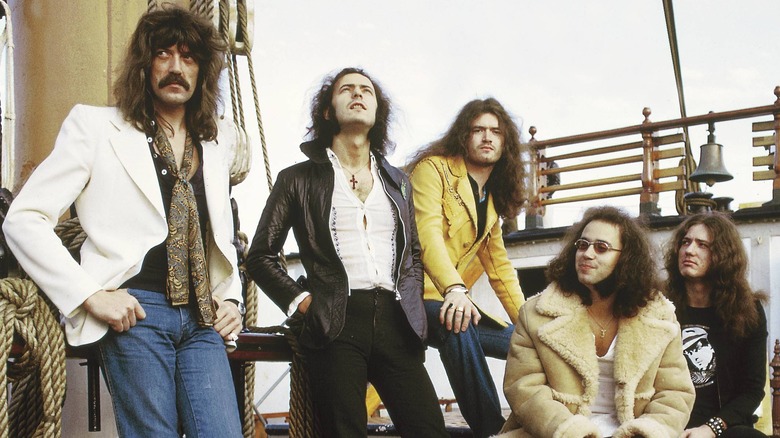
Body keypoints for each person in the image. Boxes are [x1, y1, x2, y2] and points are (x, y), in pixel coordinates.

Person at [2, 7, 244, 437]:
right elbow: (24, 219)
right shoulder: (94, 127)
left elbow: (219, 234)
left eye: (188, 57)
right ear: (144, 64)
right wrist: (89, 294)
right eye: (163, 54)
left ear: (202, 70)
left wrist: (233, 300)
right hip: (137, 310)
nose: (175, 67)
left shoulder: (217, 139)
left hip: (205, 316)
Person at [244, 67, 448, 437]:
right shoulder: (297, 179)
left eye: (366, 90)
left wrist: (413, 303)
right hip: (335, 320)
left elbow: (413, 255)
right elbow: (260, 255)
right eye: (346, 90)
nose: (358, 94)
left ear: (376, 111)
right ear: (327, 110)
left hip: (395, 321)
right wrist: (304, 302)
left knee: (429, 429)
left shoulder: (398, 181)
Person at [498, 206, 695, 438]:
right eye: (582, 245)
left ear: (626, 258)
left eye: (601, 248)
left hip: (631, 431)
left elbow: (674, 393)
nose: (587, 254)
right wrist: (570, 431)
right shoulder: (537, 313)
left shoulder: (659, 316)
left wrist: (644, 432)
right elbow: (524, 389)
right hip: (556, 432)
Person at [405, 98, 526, 437]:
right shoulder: (433, 170)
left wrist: (532, 323)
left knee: (528, 341)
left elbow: (501, 270)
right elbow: (426, 234)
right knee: (458, 321)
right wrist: (455, 289)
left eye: (495, 131)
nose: (487, 137)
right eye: (478, 130)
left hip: (450, 301)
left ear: (505, 143)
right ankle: (493, 431)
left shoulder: (491, 202)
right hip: (413, 298)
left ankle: (545, 419)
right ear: (464, 135)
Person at [664, 212, 768, 438]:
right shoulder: (659, 306)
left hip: (723, 427)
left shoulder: (747, 311)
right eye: (685, 242)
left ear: (723, 255)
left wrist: (711, 428)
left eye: (703, 245)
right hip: (666, 422)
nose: (689, 250)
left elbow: (752, 390)